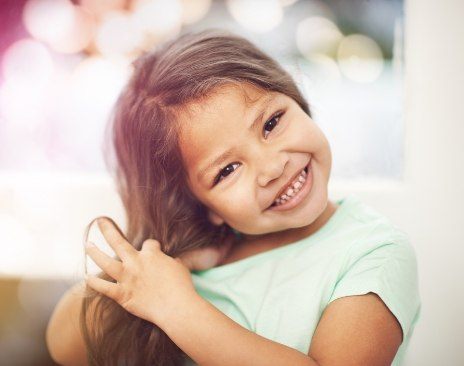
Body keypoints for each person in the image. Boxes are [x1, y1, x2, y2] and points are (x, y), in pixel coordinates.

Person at [46, 29, 421, 366]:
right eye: (227, 170)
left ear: (296, 97)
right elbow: (63, 344)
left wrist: (178, 309)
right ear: (202, 207)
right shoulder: (194, 267)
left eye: (271, 123)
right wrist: (173, 262)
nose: (271, 168)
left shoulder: (374, 253)